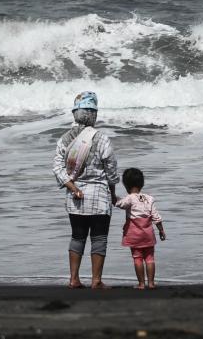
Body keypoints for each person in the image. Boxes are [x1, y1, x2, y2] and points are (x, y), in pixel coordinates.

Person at [52, 91, 119, 289]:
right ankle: (96, 280)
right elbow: (112, 172)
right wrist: (113, 193)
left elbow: (57, 167)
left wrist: (72, 186)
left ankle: (73, 279)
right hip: (99, 197)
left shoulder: (64, 139)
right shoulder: (101, 139)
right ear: (93, 114)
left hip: (75, 198)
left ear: (75, 113)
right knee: (99, 238)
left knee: (77, 236)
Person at [114, 167, 166, 289]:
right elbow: (156, 217)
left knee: (137, 258)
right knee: (150, 258)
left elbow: (119, 204)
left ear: (126, 186)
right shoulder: (149, 199)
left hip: (134, 235)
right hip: (148, 234)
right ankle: (151, 283)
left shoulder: (129, 198)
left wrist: (112, 195)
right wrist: (161, 230)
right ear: (142, 183)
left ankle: (141, 284)